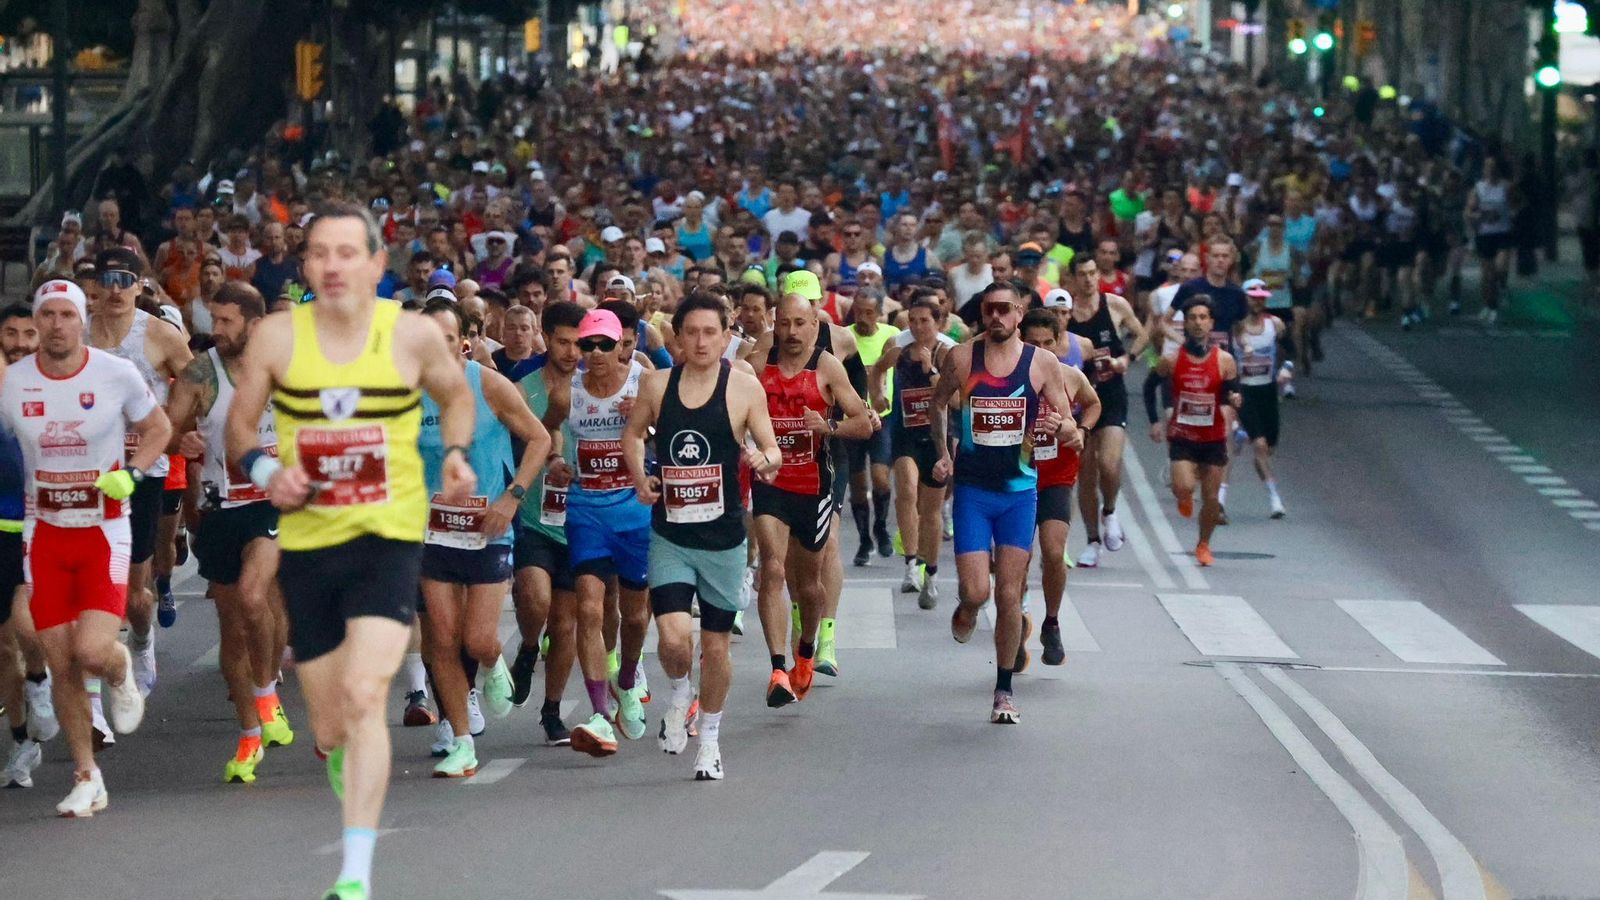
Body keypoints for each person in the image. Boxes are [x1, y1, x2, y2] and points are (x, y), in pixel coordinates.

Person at [224, 203, 476, 900]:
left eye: (347, 253)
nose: (332, 266)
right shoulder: (278, 337)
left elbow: (457, 398)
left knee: (367, 694)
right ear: (304, 265)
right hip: (309, 542)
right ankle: (340, 747)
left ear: (376, 264)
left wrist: (455, 453)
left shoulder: (412, 334)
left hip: (388, 536)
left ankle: (355, 872)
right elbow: (239, 430)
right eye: (319, 253)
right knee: (332, 722)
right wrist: (268, 472)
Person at [1, 279, 169, 815]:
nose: (56, 324)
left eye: (66, 314)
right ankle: (86, 775)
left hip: (103, 531)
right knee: (60, 660)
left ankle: (120, 670)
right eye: (47, 314)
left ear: (82, 320)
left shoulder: (114, 373)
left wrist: (133, 474)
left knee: (91, 651)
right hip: (44, 534)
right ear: (37, 322)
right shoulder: (13, 382)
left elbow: (159, 428)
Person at [622, 292, 782, 780]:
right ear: (677, 337)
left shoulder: (744, 388)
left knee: (715, 648)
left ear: (726, 336)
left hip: (724, 539)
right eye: (691, 332)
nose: (700, 341)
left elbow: (772, 449)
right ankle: (679, 693)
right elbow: (633, 435)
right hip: (670, 533)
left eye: (710, 332)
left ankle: (709, 739)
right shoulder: (657, 384)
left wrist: (763, 459)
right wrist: (640, 478)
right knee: (673, 639)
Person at [165, 282, 296, 783]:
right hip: (221, 506)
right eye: (213, 319)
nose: (216, 329)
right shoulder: (201, 373)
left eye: (226, 321)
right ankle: (249, 733)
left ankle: (266, 694)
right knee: (233, 627)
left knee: (254, 594)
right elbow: (166, 431)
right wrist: (182, 441)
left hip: (272, 504)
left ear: (254, 324)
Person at [416, 300, 551, 778]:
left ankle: (494, 664)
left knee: (477, 640)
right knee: (442, 639)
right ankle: (462, 741)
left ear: (464, 344)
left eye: (447, 340)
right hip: (432, 531)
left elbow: (540, 439)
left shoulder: (489, 385)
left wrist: (513, 498)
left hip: (487, 528)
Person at [929, 282, 1075, 724]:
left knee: (1010, 593)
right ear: (982, 314)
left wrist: (1058, 426)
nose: (996, 317)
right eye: (989, 309)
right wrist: (942, 452)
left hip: (1019, 494)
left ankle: (1004, 690)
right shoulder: (962, 358)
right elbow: (938, 404)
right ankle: (968, 607)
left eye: (1004, 309)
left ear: (1019, 313)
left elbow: (1069, 422)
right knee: (977, 590)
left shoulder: (1042, 363)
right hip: (973, 491)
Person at [540, 308, 652, 756]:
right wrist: (555, 459)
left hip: (634, 512)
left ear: (621, 344)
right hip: (586, 510)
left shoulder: (643, 382)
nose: (597, 353)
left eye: (606, 344)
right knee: (589, 609)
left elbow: (674, 428)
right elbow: (547, 428)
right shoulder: (568, 391)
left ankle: (627, 677)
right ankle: (600, 714)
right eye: (589, 345)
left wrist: (645, 420)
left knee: (635, 616)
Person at [753, 294, 872, 707]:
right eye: (784, 323)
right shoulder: (758, 363)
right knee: (771, 569)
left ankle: (806, 649)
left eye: (800, 323)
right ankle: (777, 669)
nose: (791, 332)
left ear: (815, 325)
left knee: (809, 586)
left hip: (814, 486)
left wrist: (829, 427)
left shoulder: (827, 366)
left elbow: (863, 422)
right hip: (770, 482)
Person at [88, 247, 194, 704]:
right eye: (108, 279)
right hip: (87, 471)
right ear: (95, 286)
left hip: (144, 470)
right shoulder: (79, 332)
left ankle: (143, 639)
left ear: (139, 286)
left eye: (124, 280)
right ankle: (89, 684)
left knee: (136, 595)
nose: (115, 289)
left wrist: (176, 428)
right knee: (91, 583)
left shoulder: (160, 334)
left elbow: (199, 383)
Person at [509, 302, 585, 747]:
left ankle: (552, 711)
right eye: (562, 342)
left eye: (578, 343)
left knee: (566, 623)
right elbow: (517, 446)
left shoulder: (595, 389)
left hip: (580, 521)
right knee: (536, 599)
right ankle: (526, 647)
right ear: (545, 337)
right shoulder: (523, 390)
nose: (572, 352)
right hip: (535, 518)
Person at [1020, 309, 1101, 665]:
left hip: (1056, 477)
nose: (1041, 350)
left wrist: (1082, 430)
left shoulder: (1070, 376)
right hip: (1016, 478)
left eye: (1048, 343)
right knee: (1017, 559)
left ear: (1058, 343)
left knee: (1054, 553)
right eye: (1033, 343)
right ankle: (1016, 621)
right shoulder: (1008, 376)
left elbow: (1094, 404)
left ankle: (1051, 622)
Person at [0, 304, 58, 790]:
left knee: (26, 624)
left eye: (28, 333)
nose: (19, 342)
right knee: (3, 649)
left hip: (38, 525)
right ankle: (21, 742)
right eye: (10, 333)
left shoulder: (54, 388)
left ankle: (39, 680)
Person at [869, 296, 955, 608]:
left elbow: (958, 399)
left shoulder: (948, 352)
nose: (918, 327)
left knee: (931, 510)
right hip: (905, 431)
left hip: (937, 437)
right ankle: (910, 565)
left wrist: (931, 370)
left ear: (939, 322)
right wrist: (878, 397)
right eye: (913, 321)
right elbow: (876, 370)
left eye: (925, 321)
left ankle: (931, 573)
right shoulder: (898, 349)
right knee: (905, 490)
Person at [1062, 255, 1146, 568]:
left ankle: (1109, 510)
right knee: (1085, 473)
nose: (1088, 279)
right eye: (1082, 274)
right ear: (1072, 278)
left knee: (1109, 464)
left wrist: (1127, 359)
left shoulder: (1114, 305)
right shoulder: (1067, 312)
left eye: (1092, 273)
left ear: (1098, 274)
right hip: (1079, 401)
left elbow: (1143, 334)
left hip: (1111, 396)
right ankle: (1092, 541)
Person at [1151, 295, 1241, 567]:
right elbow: (1148, 386)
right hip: (1183, 437)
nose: (1198, 323)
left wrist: (1236, 400)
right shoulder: (1171, 359)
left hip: (1212, 438)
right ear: (1185, 324)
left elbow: (1231, 392)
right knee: (1184, 486)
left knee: (1212, 499)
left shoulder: (1225, 360)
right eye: (1192, 318)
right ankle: (1184, 496)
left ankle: (1203, 544)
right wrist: (1155, 420)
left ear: (1211, 323)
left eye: (1203, 317)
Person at [845, 291, 899, 566]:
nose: (863, 318)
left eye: (869, 312)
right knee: (857, 485)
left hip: (882, 417)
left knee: (880, 478)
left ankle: (881, 526)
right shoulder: (844, 336)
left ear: (879, 313)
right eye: (858, 311)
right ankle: (864, 540)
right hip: (853, 419)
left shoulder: (891, 334)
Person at [1232, 281, 1291, 520]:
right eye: (1253, 297)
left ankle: (1243, 434)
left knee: (1269, 448)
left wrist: (1287, 368)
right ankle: (1274, 498)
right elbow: (1230, 347)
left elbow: (1289, 348)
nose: (1258, 301)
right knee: (1260, 446)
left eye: (1261, 297)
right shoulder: (1236, 326)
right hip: (1245, 390)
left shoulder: (1275, 324)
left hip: (1267, 391)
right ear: (1245, 298)